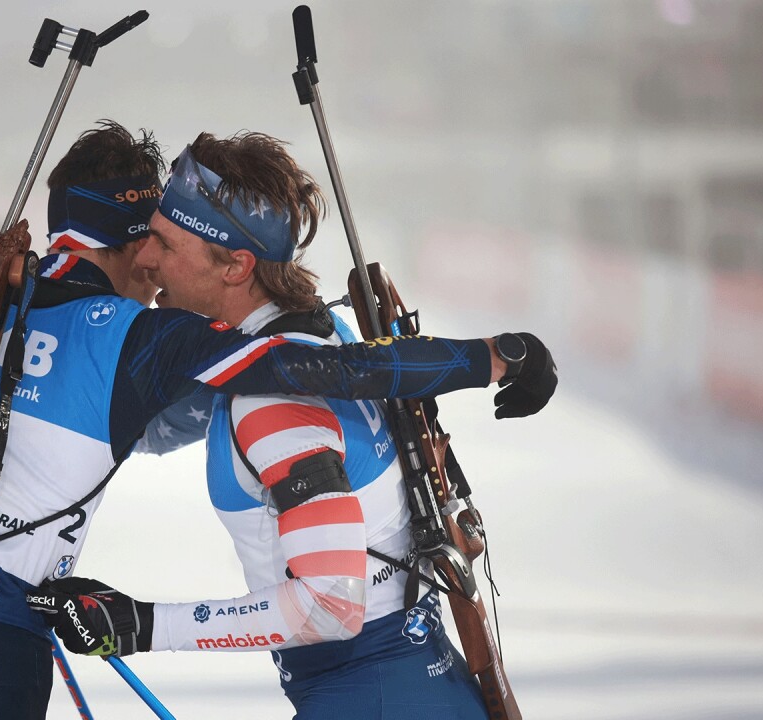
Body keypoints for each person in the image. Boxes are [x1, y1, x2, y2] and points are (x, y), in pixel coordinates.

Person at [0, 120, 552, 720]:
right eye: (148, 243)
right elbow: (318, 369)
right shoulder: (144, 344)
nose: (153, 266)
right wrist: (492, 358)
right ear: (128, 237)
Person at [31, 132, 557, 719]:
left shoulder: (273, 403)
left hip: (369, 696)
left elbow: (331, 606)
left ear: (236, 265)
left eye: (163, 243)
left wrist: (137, 624)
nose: (145, 261)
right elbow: (160, 424)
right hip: (417, 680)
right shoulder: (324, 334)